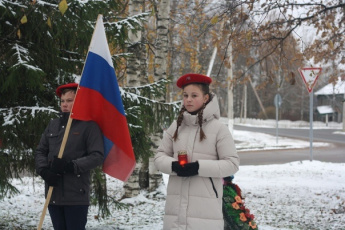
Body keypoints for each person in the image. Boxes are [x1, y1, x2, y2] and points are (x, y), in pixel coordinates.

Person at [154, 73, 240, 230]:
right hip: (175, 214)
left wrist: (198, 167)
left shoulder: (219, 129)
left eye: (194, 95)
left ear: (206, 98)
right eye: (185, 95)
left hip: (206, 213)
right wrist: (173, 166)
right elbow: (159, 157)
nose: (188, 99)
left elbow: (232, 164)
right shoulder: (176, 127)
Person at [35, 83, 104, 230]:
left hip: (76, 195)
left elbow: (97, 156)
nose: (64, 104)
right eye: (62, 101)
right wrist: (44, 171)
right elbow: (40, 151)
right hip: (53, 193)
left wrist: (71, 166)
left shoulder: (89, 126)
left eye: (69, 100)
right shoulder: (53, 125)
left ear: (79, 101)